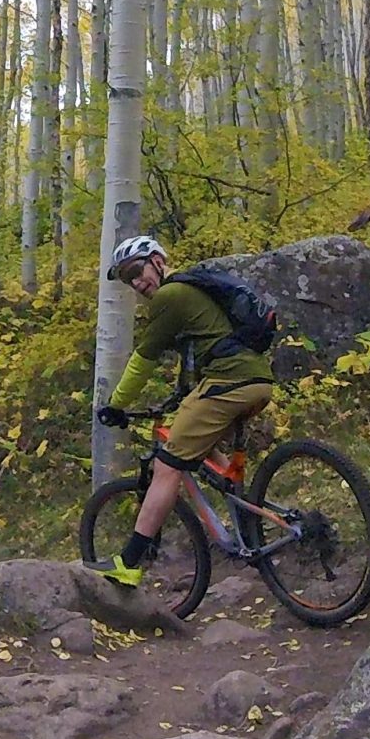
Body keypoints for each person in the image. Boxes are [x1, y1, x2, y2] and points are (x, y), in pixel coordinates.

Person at [90, 235, 274, 586]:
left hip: (228, 382)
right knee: (205, 448)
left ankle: (128, 563)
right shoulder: (190, 292)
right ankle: (250, 529)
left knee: (167, 464)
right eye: (128, 278)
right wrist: (178, 397)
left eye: (137, 270)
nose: (136, 282)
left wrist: (115, 404)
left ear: (158, 260)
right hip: (253, 380)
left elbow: (143, 361)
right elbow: (201, 352)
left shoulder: (169, 296)